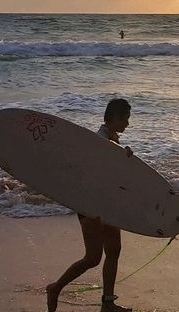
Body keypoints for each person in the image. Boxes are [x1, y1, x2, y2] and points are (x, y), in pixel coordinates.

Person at [46, 99, 134, 312]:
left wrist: (126, 158)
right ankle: (55, 288)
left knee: (114, 250)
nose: (127, 123)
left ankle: (108, 303)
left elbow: (114, 176)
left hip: (107, 204)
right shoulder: (99, 141)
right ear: (112, 117)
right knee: (93, 258)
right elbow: (89, 176)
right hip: (91, 205)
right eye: (124, 118)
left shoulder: (111, 140)